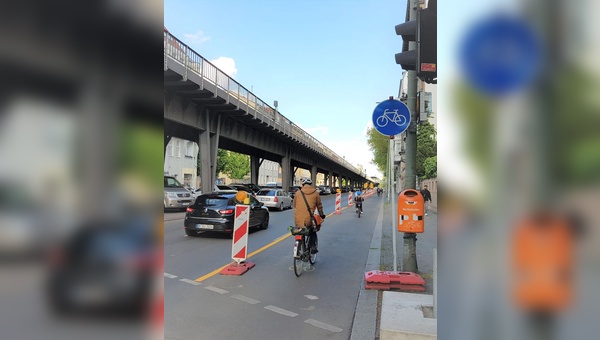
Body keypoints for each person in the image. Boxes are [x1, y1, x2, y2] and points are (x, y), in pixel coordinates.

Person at [293, 178, 326, 254]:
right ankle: (313, 246)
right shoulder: (315, 193)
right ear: (311, 185)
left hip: (297, 220)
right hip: (308, 220)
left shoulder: (298, 193)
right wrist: (321, 215)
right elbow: (319, 206)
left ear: (303, 185)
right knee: (313, 230)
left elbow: (294, 205)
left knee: (299, 231)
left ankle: (298, 247)